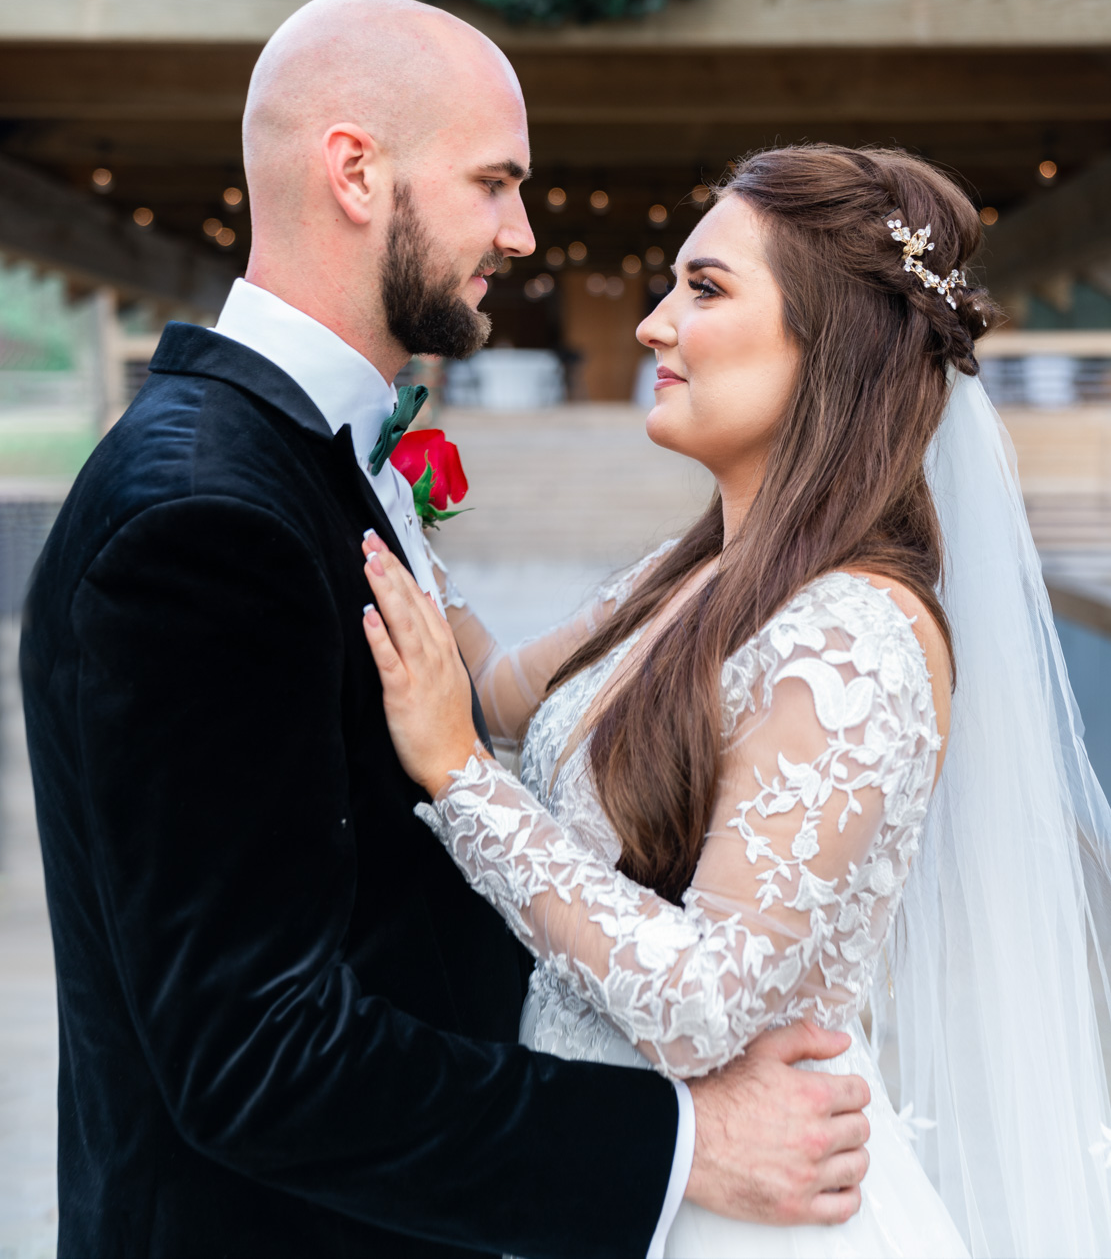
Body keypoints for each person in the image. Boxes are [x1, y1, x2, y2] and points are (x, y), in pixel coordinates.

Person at [20, 0, 872, 1259]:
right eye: (494, 184)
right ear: (356, 170)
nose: (522, 234)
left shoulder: (309, 462)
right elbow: (258, 1056)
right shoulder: (202, 521)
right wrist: (687, 1141)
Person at [362, 143, 1111, 1258]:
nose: (653, 325)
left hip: (746, 1212)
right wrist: (386, 497)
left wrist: (461, 781)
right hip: (618, 1181)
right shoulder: (696, 572)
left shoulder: (852, 639)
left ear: (834, 341)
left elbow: (706, 1001)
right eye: (667, 285)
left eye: (703, 288)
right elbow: (498, 694)